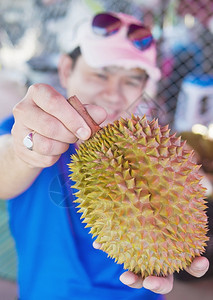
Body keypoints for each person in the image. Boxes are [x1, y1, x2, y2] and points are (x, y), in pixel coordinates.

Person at [0, 11, 209, 300]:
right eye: (101, 73)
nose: (114, 94)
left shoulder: (155, 142)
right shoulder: (25, 130)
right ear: (65, 69)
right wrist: (25, 149)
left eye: (132, 80)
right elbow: (5, 164)